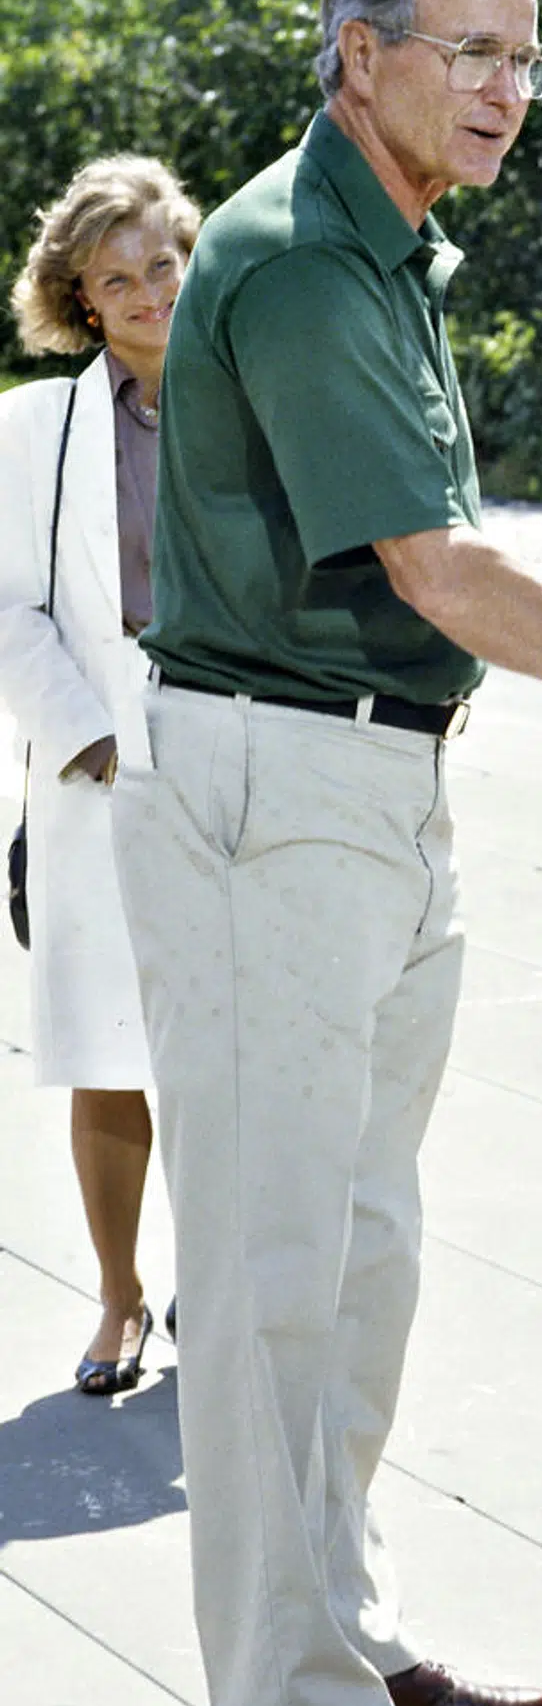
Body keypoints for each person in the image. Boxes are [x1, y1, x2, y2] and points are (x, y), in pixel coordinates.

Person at [110, 0, 542, 1706]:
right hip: (279, 786)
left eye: (526, 58)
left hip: (365, 783)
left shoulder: (390, 246)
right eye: (473, 53)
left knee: (361, 1251)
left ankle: (339, 1630)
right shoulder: (293, 257)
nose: (508, 89)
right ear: (363, 53)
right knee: (276, 1262)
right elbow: (437, 566)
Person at [0, 157, 199, 1395]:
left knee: (233, 1051)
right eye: (114, 278)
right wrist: (91, 737)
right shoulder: (33, 426)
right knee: (113, 1048)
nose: (145, 293)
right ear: (78, 296)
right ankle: (122, 1297)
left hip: (242, 750)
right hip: (97, 771)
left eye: (163, 264)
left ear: (192, 256)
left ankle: (217, 1286)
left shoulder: (256, 389)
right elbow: (7, 606)